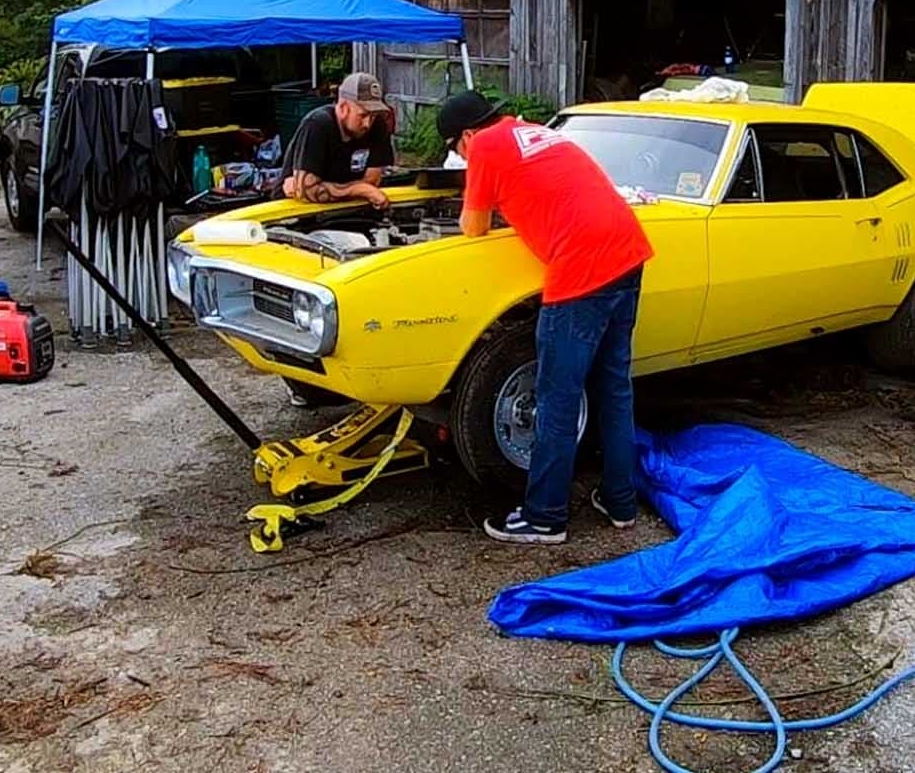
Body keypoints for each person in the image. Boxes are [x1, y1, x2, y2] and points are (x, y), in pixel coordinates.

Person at [437, 91, 654, 545]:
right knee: (613, 387)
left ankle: (544, 516)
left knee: (556, 394)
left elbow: (472, 227)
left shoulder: (487, 148)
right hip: (627, 253)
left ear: (467, 136)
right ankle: (620, 502)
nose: (462, 159)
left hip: (582, 269)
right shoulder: (535, 132)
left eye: (457, 150)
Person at [280, 72, 395, 208]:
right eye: (362, 115)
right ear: (343, 108)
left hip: (349, 209)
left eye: (373, 115)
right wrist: (360, 189)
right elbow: (306, 191)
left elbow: (372, 180)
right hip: (297, 212)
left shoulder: (377, 125)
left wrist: (332, 188)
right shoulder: (318, 124)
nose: (367, 123)